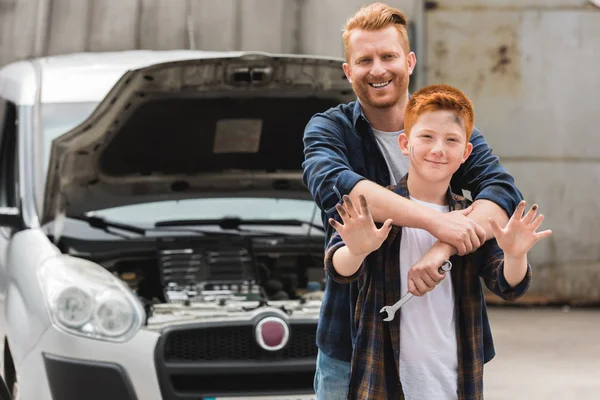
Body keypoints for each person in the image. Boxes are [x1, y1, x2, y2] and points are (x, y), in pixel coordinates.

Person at [302, 3, 524, 399]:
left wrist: (440, 249)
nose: (378, 69)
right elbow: (341, 188)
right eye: (364, 60)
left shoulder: (444, 129)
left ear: (409, 61)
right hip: (352, 340)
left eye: (388, 56)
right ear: (348, 71)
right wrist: (437, 222)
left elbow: (502, 192)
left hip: (441, 342)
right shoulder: (329, 128)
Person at [324, 83, 552, 399]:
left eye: (451, 140)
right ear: (405, 143)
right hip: (382, 380)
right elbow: (338, 266)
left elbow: (507, 285)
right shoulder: (381, 206)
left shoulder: (470, 216)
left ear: (466, 153)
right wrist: (358, 249)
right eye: (427, 137)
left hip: (454, 382)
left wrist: (515, 255)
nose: (438, 149)